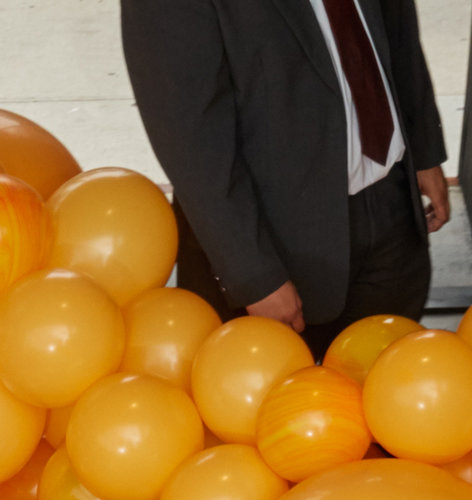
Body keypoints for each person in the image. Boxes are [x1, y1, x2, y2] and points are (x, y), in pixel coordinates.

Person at [120, 0, 452, 359]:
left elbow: (396, 26)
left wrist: (424, 150)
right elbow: (189, 136)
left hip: (390, 208)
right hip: (279, 245)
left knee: (388, 396)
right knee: (285, 411)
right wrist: (253, 275)